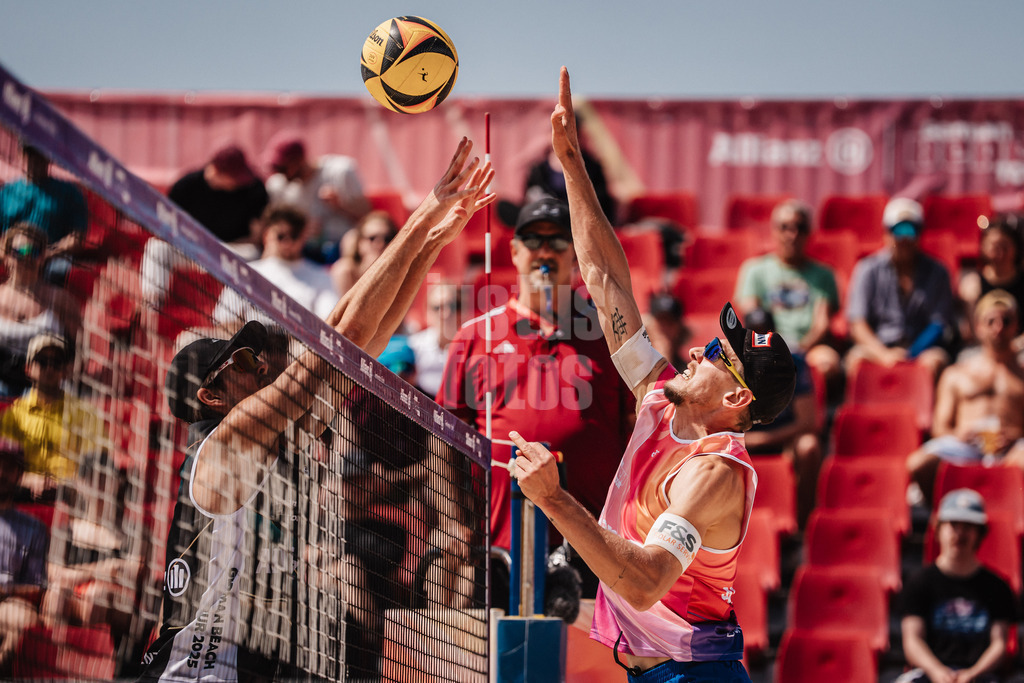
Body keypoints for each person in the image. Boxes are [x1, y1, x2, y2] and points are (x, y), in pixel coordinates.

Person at [138, 138, 493, 681]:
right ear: (210, 395)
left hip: (242, 663)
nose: (256, 362)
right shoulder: (227, 441)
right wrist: (421, 216)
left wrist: (430, 242)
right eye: (240, 361)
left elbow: (358, 347)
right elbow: (344, 335)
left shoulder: (264, 434)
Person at [508, 68, 797, 682]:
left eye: (718, 355)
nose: (697, 352)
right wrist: (570, 163)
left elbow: (642, 583)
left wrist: (554, 498)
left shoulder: (716, 472)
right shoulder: (658, 401)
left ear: (738, 395)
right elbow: (607, 280)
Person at [437, 195, 636, 602]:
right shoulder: (475, 335)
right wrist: (457, 522)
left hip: (595, 547)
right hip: (501, 544)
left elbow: (635, 431)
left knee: (586, 664)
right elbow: (445, 440)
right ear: (514, 250)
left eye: (558, 241)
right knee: (499, 661)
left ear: (574, 254)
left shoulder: (609, 335)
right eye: (533, 239)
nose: (545, 251)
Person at [906, 290, 1024, 502]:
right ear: (978, 327)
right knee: (918, 464)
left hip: (1012, 449)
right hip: (965, 446)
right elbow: (939, 427)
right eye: (991, 321)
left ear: (1016, 326)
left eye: (1006, 321)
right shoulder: (957, 373)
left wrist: (1013, 437)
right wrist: (961, 434)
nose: (999, 327)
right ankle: (945, 513)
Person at [898, 488, 1016, 683]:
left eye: (968, 526)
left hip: (981, 676)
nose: (960, 533)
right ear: (938, 528)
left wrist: (972, 674)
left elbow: (999, 644)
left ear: (980, 533)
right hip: (928, 674)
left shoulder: (998, 587)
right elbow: (912, 640)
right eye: (954, 524)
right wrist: (937, 672)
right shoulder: (918, 582)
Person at [734, 199, 842, 388]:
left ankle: (811, 414)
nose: (792, 234)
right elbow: (753, 318)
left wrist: (798, 351)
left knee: (828, 362)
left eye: (799, 227)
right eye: (785, 227)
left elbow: (822, 324)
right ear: (774, 231)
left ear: (809, 233)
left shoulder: (824, 274)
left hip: (809, 349)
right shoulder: (754, 270)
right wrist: (778, 351)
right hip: (766, 348)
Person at [845, 197, 955, 382]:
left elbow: (939, 323)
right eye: (898, 230)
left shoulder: (938, 272)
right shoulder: (867, 269)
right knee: (856, 361)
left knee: (935, 362)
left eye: (911, 230)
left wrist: (911, 354)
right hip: (878, 345)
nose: (904, 238)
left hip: (922, 349)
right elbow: (857, 324)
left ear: (920, 233)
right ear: (886, 233)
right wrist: (883, 354)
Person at [740, 308, 822, 528]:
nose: (760, 339)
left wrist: (763, 440)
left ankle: (804, 524)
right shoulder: (733, 364)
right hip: (741, 441)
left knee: (809, 446)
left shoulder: (794, 363)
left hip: (783, 439)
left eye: (764, 333)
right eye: (754, 334)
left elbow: (807, 422)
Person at [0, 334, 103, 502]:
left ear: (64, 371)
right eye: (42, 361)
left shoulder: (85, 414)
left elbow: (96, 464)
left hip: (72, 497)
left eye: (56, 363)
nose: (49, 368)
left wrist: (67, 485)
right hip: (21, 495)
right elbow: (3, 467)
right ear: (28, 368)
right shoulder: (13, 416)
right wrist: (28, 480)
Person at [211, 204, 339, 327]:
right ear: (267, 235)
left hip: (300, 347)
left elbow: (328, 323)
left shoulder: (321, 276)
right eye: (281, 236)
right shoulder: (246, 272)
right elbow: (225, 320)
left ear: (303, 237)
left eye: (294, 235)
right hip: (251, 346)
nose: (287, 242)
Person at [0, 223, 81, 399]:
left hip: (45, 384)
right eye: (19, 252)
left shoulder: (60, 301)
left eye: (34, 252)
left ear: (42, 257)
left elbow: (78, 349)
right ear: (6, 256)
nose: (27, 258)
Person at [263, 132, 371, 263]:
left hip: (339, 248)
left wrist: (340, 205)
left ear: (300, 160)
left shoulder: (340, 172)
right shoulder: (277, 185)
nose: (279, 172)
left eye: (282, 167)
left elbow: (368, 217)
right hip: (298, 248)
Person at [0, 143, 88, 272]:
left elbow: (77, 237)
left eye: (40, 154)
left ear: (49, 157)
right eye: (30, 154)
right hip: (11, 253)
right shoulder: (7, 192)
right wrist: (7, 253)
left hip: (51, 258)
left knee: (60, 270)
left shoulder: (70, 192)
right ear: (20, 154)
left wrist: (48, 254)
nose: (35, 159)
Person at [0, 438, 48, 674]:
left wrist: (4, 590)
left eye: (8, 467)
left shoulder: (34, 528)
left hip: (8, 604)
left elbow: (37, 588)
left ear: (19, 474)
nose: (1, 472)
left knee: (27, 620)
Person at [167, 144, 269, 255]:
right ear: (215, 170)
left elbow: (257, 236)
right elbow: (169, 222)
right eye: (234, 176)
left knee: (252, 252)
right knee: (158, 248)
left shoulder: (253, 187)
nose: (238, 181)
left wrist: (220, 247)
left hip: (233, 251)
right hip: (194, 248)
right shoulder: (186, 186)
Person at [958, 215, 1024, 352]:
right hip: (983, 348)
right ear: (983, 248)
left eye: (1005, 246)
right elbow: (973, 332)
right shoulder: (972, 285)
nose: (999, 253)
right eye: (994, 247)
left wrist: (1013, 347)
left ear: (1016, 247)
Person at [329, 210, 400, 299]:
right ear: (360, 243)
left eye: (387, 238)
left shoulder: (399, 272)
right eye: (372, 238)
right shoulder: (345, 270)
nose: (380, 243)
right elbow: (349, 311)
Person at [407, 282, 462, 396]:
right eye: (438, 307)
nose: (446, 313)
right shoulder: (413, 347)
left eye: (453, 306)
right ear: (427, 312)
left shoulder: (471, 347)